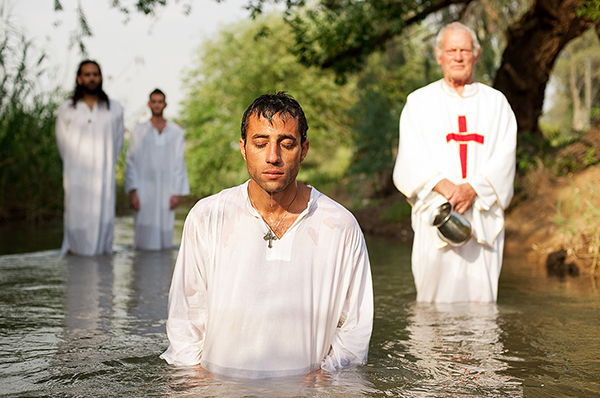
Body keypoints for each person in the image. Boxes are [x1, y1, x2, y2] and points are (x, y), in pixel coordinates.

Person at [160, 92, 373, 379]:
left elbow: (355, 328)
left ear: (304, 149)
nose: (273, 157)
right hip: (219, 387)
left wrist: (325, 379)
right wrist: (197, 381)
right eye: (260, 143)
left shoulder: (338, 226)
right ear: (243, 148)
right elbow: (184, 318)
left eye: (286, 144)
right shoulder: (208, 216)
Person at [392, 22, 517, 303]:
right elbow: (410, 157)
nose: (458, 57)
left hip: (481, 212)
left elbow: (505, 156)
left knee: (481, 302)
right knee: (433, 304)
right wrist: (447, 187)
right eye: (451, 50)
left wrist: (473, 188)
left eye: (464, 50)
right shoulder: (418, 102)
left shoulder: (496, 104)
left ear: (476, 54)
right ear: (439, 55)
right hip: (437, 210)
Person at [56, 60, 125, 256]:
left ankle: (102, 254)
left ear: (101, 77)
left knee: (102, 215)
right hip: (75, 174)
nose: (92, 78)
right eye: (87, 74)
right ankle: (74, 253)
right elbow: (62, 142)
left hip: (103, 174)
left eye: (95, 74)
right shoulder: (68, 108)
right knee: (76, 215)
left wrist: (105, 163)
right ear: (79, 78)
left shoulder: (114, 108)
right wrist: (73, 165)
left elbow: (117, 142)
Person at [124, 89, 190, 250]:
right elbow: (130, 161)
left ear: (165, 104)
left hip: (167, 190)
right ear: (149, 104)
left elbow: (179, 163)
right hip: (143, 190)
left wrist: (176, 192)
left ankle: (162, 273)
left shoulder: (176, 132)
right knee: (142, 239)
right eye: (154, 101)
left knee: (165, 240)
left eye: (160, 101)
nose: (157, 104)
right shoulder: (139, 131)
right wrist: (133, 191)